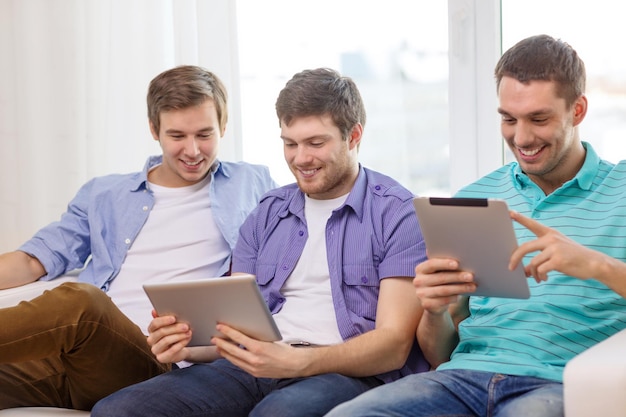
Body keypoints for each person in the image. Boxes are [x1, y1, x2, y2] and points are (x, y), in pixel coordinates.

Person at [90, 67, 430, 417]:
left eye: (315, 143)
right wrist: (186, 347)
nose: (300, 159)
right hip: (256, 364)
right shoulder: (268, 212)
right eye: (290, 143)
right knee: (116, 411)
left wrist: (296, 361)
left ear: (354, 135)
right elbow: (234, 331)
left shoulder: (398, 212)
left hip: (345, 372)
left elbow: (394, 346)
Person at [326, 34, 626, 417]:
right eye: (508, 119)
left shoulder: (621, 189)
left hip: (557, 383)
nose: (521, 137)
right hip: (461, 378)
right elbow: (440, 351)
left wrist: (596, 265)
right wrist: (434, 310)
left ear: (578, 110)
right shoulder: (475, 197)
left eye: (538, 118)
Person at [0, 65, 277, 411]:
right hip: (75, 359)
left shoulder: (254, 185)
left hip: (158, 362)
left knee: (81, 304)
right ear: (154, 130)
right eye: (177, 136)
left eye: (204, 135)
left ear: (223, 126)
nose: (192, 151)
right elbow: (32, 260)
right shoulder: (105, 193)